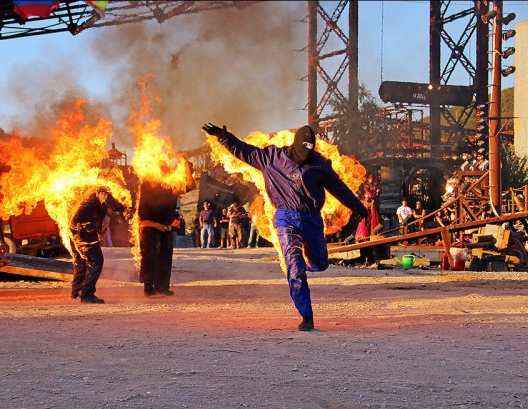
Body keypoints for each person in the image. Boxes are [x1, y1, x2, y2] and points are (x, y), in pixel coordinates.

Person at [202, 123, 367, 331]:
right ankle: (306, 315)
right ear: (295, 145)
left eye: (309, 151)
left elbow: (339, 188)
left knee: (321, 263)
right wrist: (225, 137)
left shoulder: (320, 164)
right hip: (285, 218)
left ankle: (305, 264)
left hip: (311, 219)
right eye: (303, 151)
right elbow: (244, 151)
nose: (306, 156)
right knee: (294, 266)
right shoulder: (271, 158)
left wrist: (358, 207)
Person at [138, 157, 195, 297]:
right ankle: (149, 286)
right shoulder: (147, 183)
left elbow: (191, 185)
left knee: (165, 256)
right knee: (150, 256)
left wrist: (185, 164)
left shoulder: (172, 185)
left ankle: (162, 287)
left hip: (166, 226)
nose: (168, 168)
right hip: (148, 225)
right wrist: (156, 225)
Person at [68, 186, 125, 304]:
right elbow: (111, 203)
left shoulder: (91, 192)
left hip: (75, 228)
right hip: (84, 229)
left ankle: (77, 291)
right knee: (96, 260)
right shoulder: (102, 190)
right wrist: (126, 205)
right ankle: (86, 294)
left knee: (81, 260)